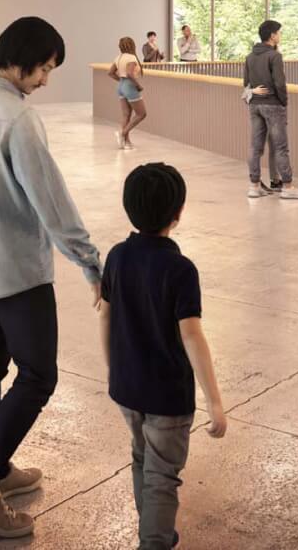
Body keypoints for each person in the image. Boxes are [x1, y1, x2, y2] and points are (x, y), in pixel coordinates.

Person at [0, 16, 102, 540]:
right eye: (44, 69)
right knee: (38, 376)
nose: (45, 80)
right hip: (15, 269)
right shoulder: (18, 118)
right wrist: (90, 261)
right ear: (21, 61)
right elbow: (52, 202)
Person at [98, 163, 227, 550]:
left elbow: (105, 314)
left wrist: (113, 369)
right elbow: (191, 335)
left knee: (142, 459)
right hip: (167, 396)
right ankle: (153, 541)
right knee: (162, 476)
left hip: (127, 387)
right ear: (178, 213)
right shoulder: (180, 268)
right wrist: (215, 401)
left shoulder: (117, 256)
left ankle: (155, 532)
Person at [243, 20, 298, 200]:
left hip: (255, 105)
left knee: (255, 147)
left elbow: (246, 84)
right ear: (272, 35)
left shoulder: (250, 57)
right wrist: (283, 102)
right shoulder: (274, 56)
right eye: (278, 32)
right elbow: (280, 83)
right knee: (281, 147)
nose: (280, 35)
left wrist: (256, 92)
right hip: (273, 105)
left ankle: (254, 186)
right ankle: (287, 186)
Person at [110, 36, 147, 151]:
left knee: (126, 115)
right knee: (142, 114)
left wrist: (122, 82)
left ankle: (126, 142)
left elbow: (110, 73)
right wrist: (138, 85)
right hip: (130, 86)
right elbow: (130, 74)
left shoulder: (118, 57)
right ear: (132, 45)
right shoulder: (131, 57)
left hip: (121, 85)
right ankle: (122, 133)